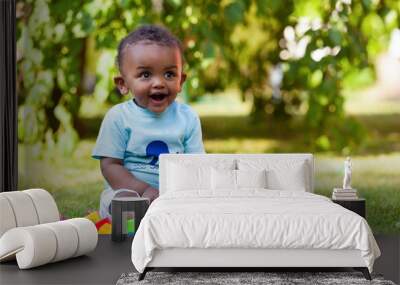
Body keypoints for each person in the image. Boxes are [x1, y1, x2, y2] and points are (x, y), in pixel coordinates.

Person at [92, 25, 205, 219]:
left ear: (181, 81)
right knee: (124, 202)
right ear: (123, 84)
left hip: (172, 195)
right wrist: (143, 190)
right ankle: (129, 233)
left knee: (200, 206)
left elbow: (196, 165)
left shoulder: (188, 118)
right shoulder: (119, 117)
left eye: (169, 74)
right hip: (128, 191)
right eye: (145, 74)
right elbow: (110, 165)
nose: (159, 82)